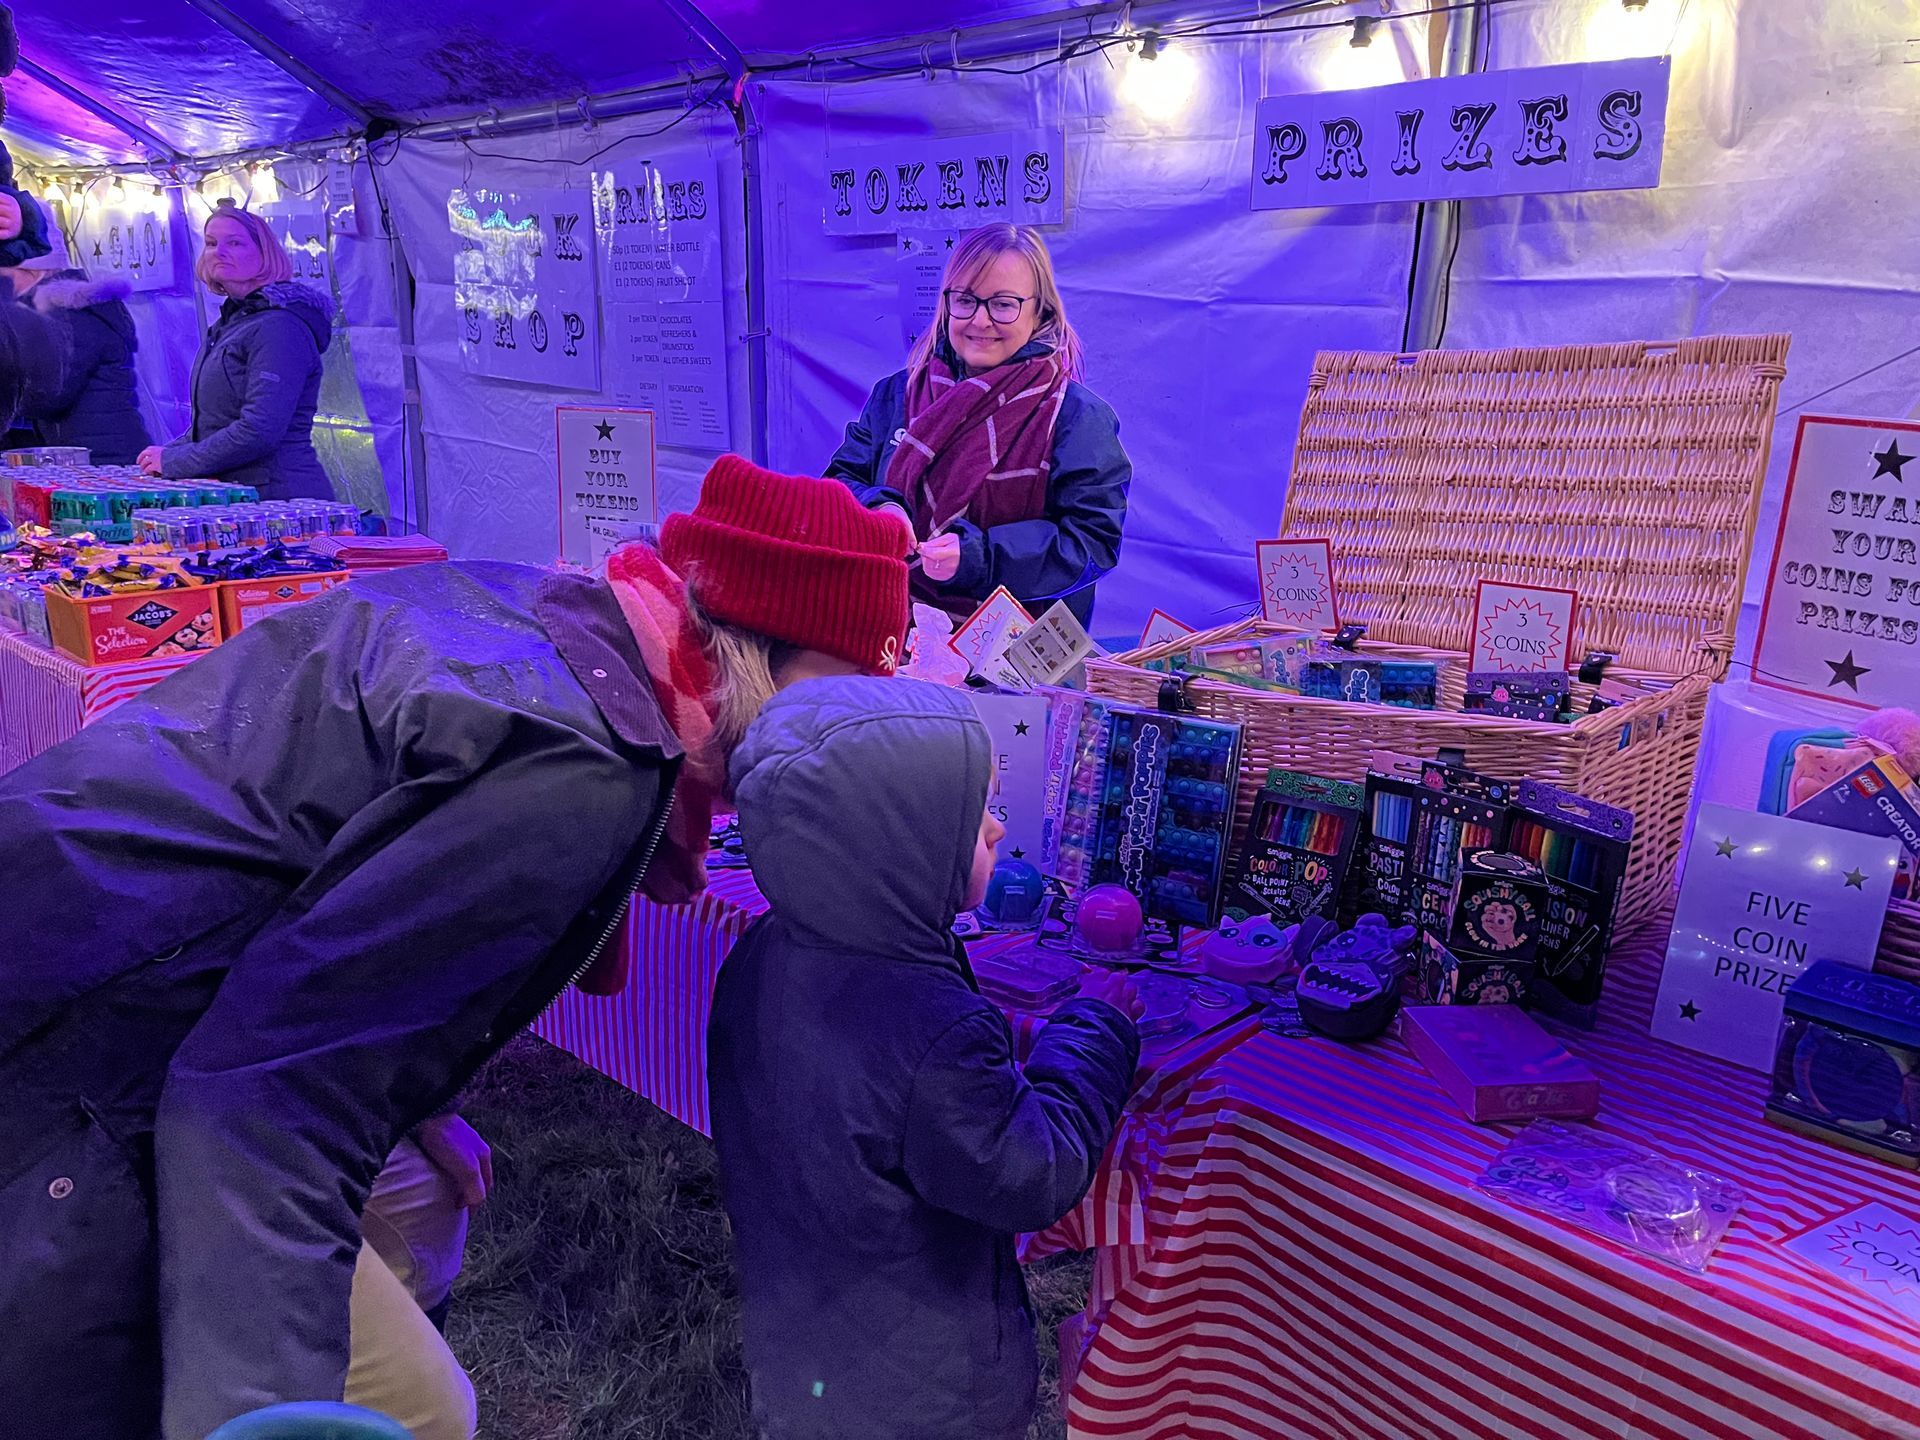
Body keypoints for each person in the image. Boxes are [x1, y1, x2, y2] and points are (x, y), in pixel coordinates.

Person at [0, 454, 911, 1440]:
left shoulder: (563, 620)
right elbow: (261, 1105)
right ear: (761, 650)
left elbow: (352, 881)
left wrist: (402, 1082)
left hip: (120, 951)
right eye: (852, 686)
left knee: (420, 1203)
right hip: (75, 1038)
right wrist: (272, 1416)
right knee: (425, 1409)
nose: (861, 726)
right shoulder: (577, 770)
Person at [710, 675, 1143, 1440]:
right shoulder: (929, 1028)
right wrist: (1096, 1029)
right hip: (927, 1395)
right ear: (900, 841)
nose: (997, 831)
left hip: (800, 1342)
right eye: (973, 810)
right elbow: (1030, 1169)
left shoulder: (764, 950)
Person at [826, 222, 1132, 627]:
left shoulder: (1077, 418)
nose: (981, 321)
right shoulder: (895, 396)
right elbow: (838, 483)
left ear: (1040, 310)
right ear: (947, 303)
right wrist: (879, 507)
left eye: (1003, 304)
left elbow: (1091, 542)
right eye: (966, 300)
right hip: (886, 639)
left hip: (1020, 665)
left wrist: (980, 558)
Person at [136, 199, 334, 499]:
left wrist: (176, 461)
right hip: (242, 495)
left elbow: (259, 429)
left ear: (265, 254)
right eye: (212, 243)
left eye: (235, 243)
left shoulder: (279, 327)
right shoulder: (232, 322)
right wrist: (166, 453)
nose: (220, 252)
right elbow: (214, 424)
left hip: (282, 500)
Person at [4, 224, 153, 463]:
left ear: (33, 269)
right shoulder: (54, 310)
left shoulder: (73, 311)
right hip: (85, 452)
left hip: (106, 458)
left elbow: (51, 393)